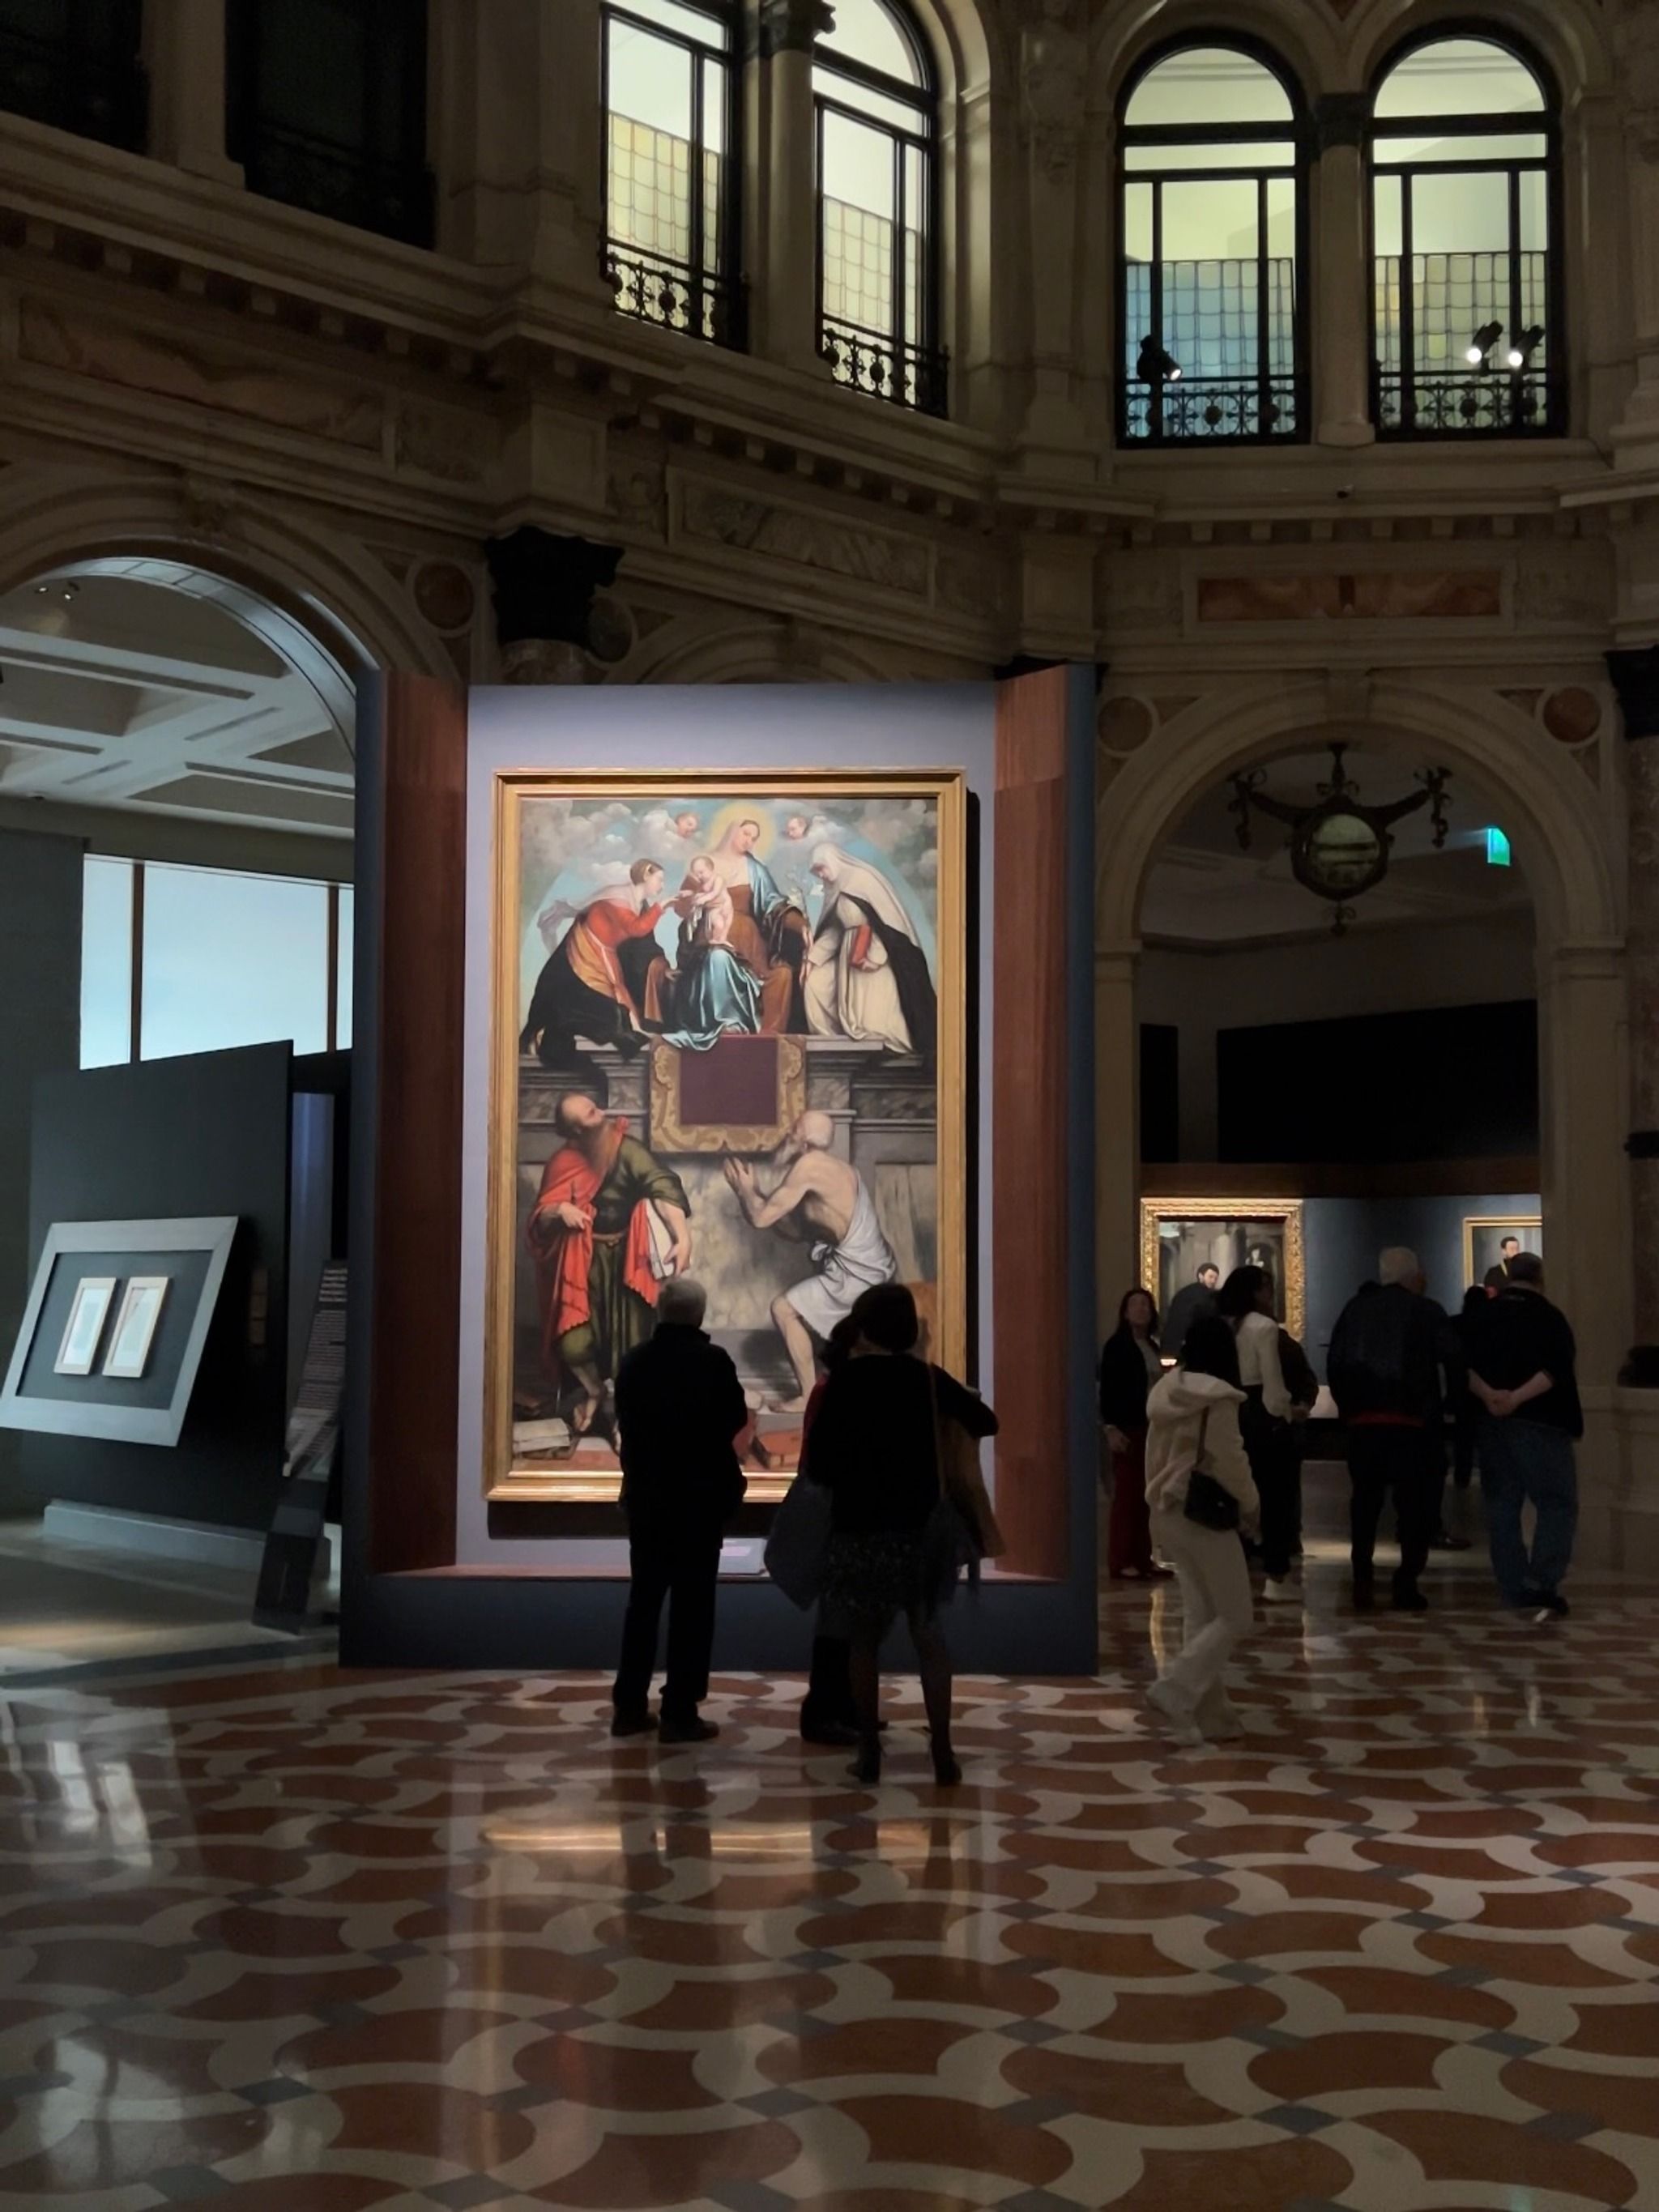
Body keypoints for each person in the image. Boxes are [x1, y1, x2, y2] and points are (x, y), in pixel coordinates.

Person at [804, 1283, 998, 1786]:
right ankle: (943, 1751)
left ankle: (868, 1750)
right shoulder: (926, 1379)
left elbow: (820, 1464)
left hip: (859, 1527)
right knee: (929, 1639)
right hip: (920, 1527)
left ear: (865, 1326)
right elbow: (986, 1421)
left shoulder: (846, 1382)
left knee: (863, 1643)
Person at [611, 1277, 748, 1742]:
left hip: (648, 1498)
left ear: (660, 1311)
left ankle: (629, 1707)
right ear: (699, 1315)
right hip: (699, 1500)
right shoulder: (713, 1361)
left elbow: (627, 1419)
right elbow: (734, 1418)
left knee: (643, 1603)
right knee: (693, 1606)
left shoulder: (634, 1361)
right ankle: (680, 1711)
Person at [527, 1093, 691, 1451]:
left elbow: (663, 1187)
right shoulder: (563, 1162)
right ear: (575, 1131)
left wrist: (682, 1236)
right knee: (573, 1343)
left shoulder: (625, 1149)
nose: (601, 1114)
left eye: (596, 1107)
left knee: (633, 1345)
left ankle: (625, 1418)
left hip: (629, 1260)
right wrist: (560, 1211)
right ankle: (594, 1390)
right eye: (590, 1114)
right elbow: (540, 1219)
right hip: (582, 1260)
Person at [723, 1112, 898, 1410]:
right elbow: (795, 1231)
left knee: (783, 1310)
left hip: (858, 1274)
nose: (788, 1135)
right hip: (864, 1267)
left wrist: (744, 1190)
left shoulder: (809, 1167)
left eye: (794, 1130)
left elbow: (762, 1218)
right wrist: (755, 1194)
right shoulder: (839, 1169)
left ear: (803, 1141)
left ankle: (808, 1397)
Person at [1143, 1315, 1260, 1747]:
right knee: (1237, 1614)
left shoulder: (1165, 1392)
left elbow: (1153, 1455)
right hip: (1203, 1511)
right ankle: (1175, 1687)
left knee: (1202, 1613)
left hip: (1167, 1508)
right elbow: (1230, 1459)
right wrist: (1252, 1504)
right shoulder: (1218, 1399)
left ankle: (1215, 1719)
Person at [1327, 1249, 1465, 1613]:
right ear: (1414, 1276)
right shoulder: (1427, 1310)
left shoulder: (1355, 1309)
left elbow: (1336, 1362)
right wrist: (1448, 1407)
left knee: (1365, 1505)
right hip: (1413, 1426)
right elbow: (1454, 1360)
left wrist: (1348, 1410)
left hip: (1364, 1425)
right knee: (1415, 1508)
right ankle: (1406, 1583)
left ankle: (1362, 1580)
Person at [1465, 1252, 1581, 1616]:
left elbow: (1462, 1365)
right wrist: (1516, 1398)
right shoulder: (1550, 1317)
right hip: (1542, 1422)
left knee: (1502, 1505)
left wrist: (1491, 1396)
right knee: (1556, 1503)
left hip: (1492, 1423)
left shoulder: (1482, 1316)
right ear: (1540, 1278)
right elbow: (1555, 1370)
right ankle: (1541, 1583)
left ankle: (1512, 1584)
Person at [520, 860, 677, 1066]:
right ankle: (544, 1035)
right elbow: (636, 928)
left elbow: (642, 941)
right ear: (646, 875)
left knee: (619, 995)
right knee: (602, 1004)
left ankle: (633, 1029)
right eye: (659, 880)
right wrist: (661, 907)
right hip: (586, 951)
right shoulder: (618, 898)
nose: (662, 886)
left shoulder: (638, 902)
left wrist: (662, 968)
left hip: (605, 952)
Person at [804, 845, 937, 1058]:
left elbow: (887, 927)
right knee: (815, 984)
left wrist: (873, 956)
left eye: (822, 868)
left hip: (874, 949)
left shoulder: (862, 880)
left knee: (871, 1014)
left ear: (832, 861)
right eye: (816, 871)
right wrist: (812, 959)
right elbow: (835, 931)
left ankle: (888, 1044)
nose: (821, 875)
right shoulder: (834, 889)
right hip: (849, 951)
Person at [1216, 1265, 1297, 1604]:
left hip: (1227, 1410)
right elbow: (1273, 1384)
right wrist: (1285, 1414)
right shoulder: (1263, 1327)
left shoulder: (1222, 1326)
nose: (1270, 1295)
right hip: (1258, 1413)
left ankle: (1235, 1570)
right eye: (1266, 1288)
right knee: (1274, 1496)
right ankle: (1276, 1573)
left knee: (1234, 1490)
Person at [699, 817, 811, 1032]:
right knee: (719, 960)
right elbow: (686, 907)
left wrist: (800, 925)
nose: (749, 841)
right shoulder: (704, 865)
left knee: (782, 975)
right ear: (733, 830)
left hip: (751, 947)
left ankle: (767, 1040)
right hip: (714, 937)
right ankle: (726, 1025)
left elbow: (773, 904)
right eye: (746, 833)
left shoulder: (755, 869)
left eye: (754, 838)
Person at [1098, 1289, 1171, 1582]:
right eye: (1135, 1305)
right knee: (1127, 1495)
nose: (1141, 1309)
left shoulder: (1151, 1346)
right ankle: (1122, 1559)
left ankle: (1143, 1556)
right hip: (1128, 1425)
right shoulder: (1118, 1346)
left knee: (1146, 1494)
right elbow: (1109, 1390)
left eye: (1146, 1305)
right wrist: (1110, 1427)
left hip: (1150, 1425)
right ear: (1125, 1313)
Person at [661, 853, 765, 1048]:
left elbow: (755, 962)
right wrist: (681, 969)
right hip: (699, 976)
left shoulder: (741, 922)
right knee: (713, 958)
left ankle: (729, 1020)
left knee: (718, 957)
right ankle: (709, 1022)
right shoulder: (692, 922)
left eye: (702, 873)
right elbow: (685, 958)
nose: (700, 877)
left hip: (735, 975)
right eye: (697, 875)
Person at [1164, 1264, 1220, 1358]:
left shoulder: (1184, 1292)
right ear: (1200, 1276)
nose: (1213, 1281)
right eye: (1210, 1277)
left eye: (1215, 1278)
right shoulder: (1203, 1295)